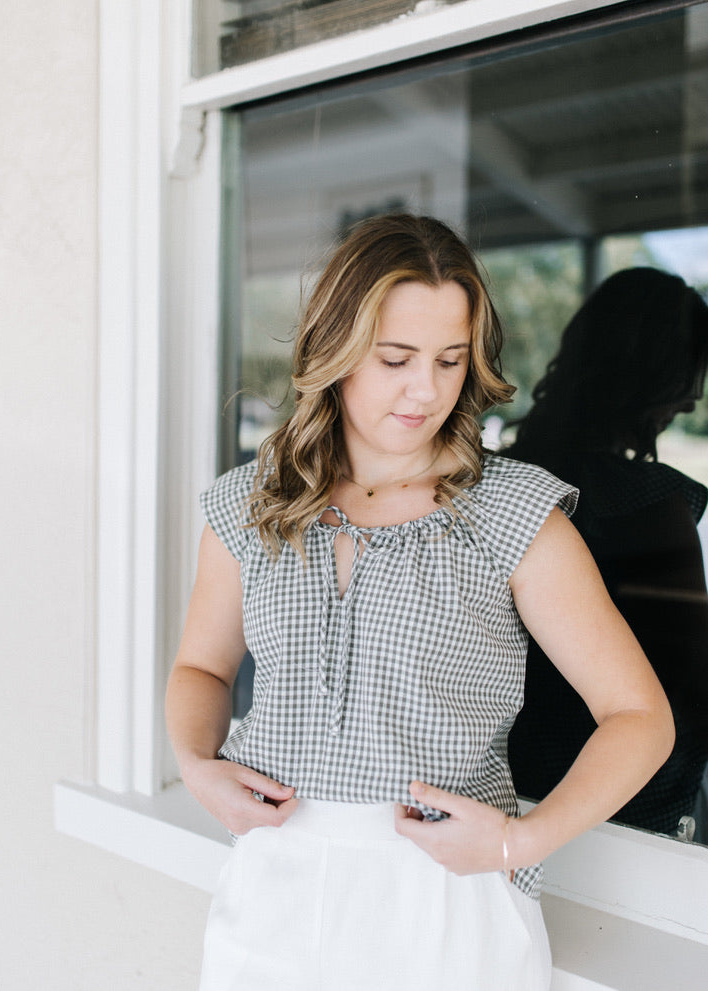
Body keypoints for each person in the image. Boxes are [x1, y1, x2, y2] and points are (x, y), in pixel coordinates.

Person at [165, 215, 674, 990]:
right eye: (396, 358)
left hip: (445, 904)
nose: (426, 389)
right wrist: (195, 766)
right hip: (271, 897)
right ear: (332, 351)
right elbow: (201, 666)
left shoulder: (512, 516)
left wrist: (520, 842)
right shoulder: (249, 506)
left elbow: (639, 718)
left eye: (450, 359)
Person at [506, 267, 708, 837]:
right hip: (623, 802)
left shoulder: (500, 481)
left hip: (508, 782)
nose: (691, 402)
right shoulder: (649, 505)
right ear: (648, 374)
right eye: (685, 377)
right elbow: (693, 687)